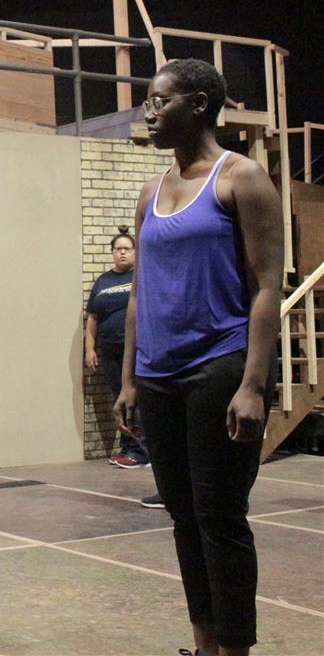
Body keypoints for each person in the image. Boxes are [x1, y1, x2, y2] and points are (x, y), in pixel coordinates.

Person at [116, 58, 282, 656]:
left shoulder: (242, 179)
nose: (151, 112)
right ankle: (204, 644)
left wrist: (255, 384)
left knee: (220, 517)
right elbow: (139, 293)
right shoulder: (150, 191)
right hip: (158, 377)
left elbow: (268, 286)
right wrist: (130, 378)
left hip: (221, 366)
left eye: (162, 101)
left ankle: (236, 648)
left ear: (201, 105)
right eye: (149, 101)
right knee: (185, 519)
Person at [86, 227, 149, 469]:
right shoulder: (103, 281)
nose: (122, 253)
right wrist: (90, 349)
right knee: (120, 398)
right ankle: (128, 448)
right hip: (110, 350)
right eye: (117, 249)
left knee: (136, 398)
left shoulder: (141, 276)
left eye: (127, 249)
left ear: (135, 252)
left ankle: (141, 451)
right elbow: (92, 318)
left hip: (136, 349)